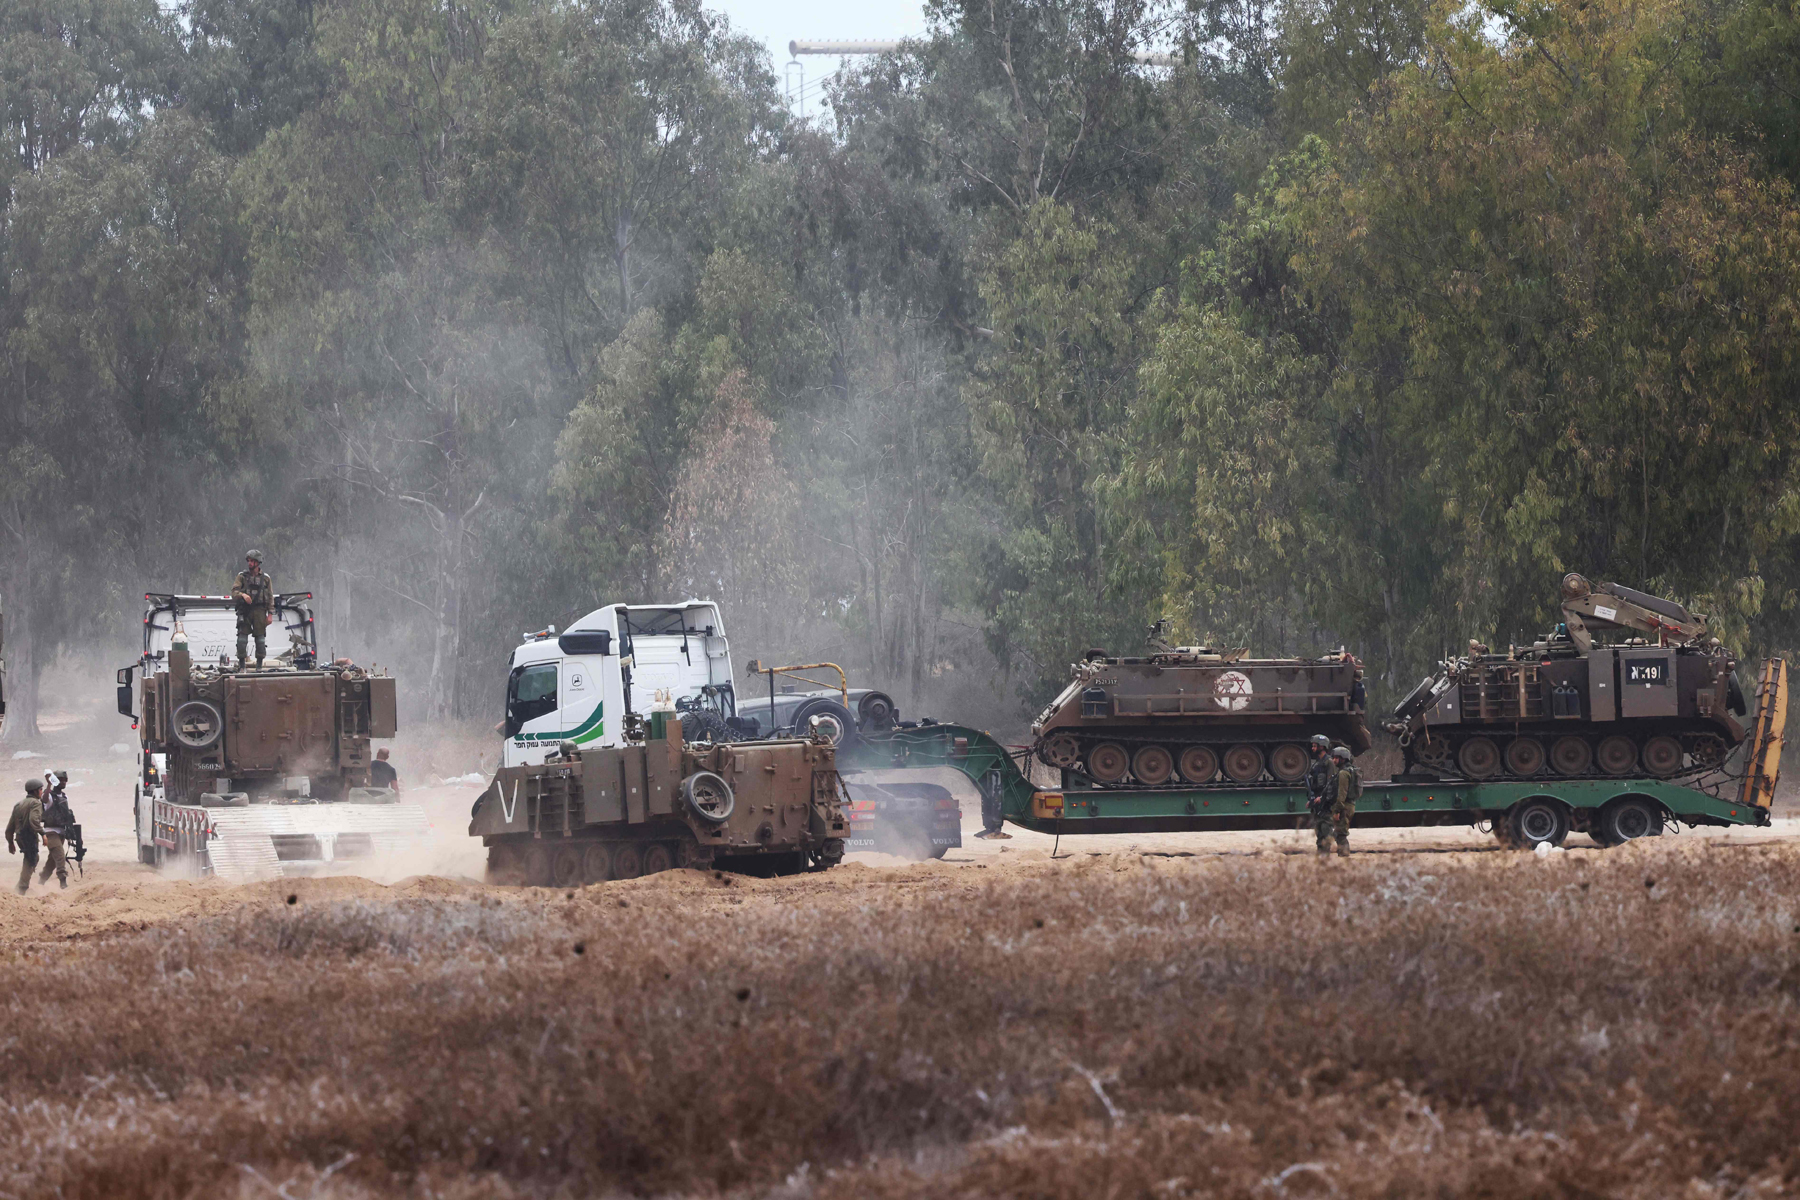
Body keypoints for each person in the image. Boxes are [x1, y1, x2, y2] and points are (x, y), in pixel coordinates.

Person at [232, 549, 275, 668]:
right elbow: (234, 592)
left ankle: (259, 667)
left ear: (258, 562)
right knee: (241, 641)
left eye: (252, 561)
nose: (250, 563)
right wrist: (243, 595)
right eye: (249, 561)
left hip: (260, 611)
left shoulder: (265, 578)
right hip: (245, 611)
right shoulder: (242, 577)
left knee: (260, 641)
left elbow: (271, 597)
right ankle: (242, 666)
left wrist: (270, 614)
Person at [1316, 745, 1361, 858]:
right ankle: (1343, 854)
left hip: (1344, 806)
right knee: (1339, 832)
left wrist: (1337, 811)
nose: (1334, 760)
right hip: (1347, 805)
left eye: (1337, 758)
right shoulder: (1347, 771)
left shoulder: (1343, 774)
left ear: (1343, 759)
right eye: (1334, 758)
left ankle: (1344, 855)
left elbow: (1342, 795)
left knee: (1340, 833)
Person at [7, 779, 45, 894]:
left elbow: (10, 826)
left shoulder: (18, 804)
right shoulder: (36, 803)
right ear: (35, 791)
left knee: (31, 858)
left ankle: (21, 885)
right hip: (29, 836)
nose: (42, 792)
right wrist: (43, 834)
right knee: (31, 859)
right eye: (41, 790)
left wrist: (10, 842)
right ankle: (22, 888)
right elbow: (33, 820)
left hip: (19, 837)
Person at [39, 775, 74, 889]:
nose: (63, 782)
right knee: (60, 855)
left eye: (65, 780)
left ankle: (41, 881)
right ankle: (63, 881)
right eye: (61, 780)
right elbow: (44, 799)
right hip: (50, 832)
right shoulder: (49, 796)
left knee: (52, 861)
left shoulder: (64, 796)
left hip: (61, 832)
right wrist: (49, 783)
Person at [1303, 734, 1334, 813]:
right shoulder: (1317, 762)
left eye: (1314, 746)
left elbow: (1331, 782)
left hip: (1324, 800)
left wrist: (1322, 797)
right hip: (1316, 798)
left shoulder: (1329, 762)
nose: (1312, 748)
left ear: (1321, 747)